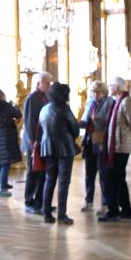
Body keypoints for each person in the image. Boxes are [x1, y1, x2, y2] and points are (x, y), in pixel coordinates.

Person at [97, 77, 131, 222]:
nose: (109, 87)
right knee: (118, 178)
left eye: (111, 85)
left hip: (122, 146)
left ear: (117, 87)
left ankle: (113, 211)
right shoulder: (118, 101)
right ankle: (126, 210)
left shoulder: (127, 101)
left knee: (111, 177)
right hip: (116, 145)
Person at [38, 83, 80, 224]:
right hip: (64, 147)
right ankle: (62, 215)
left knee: (49, 180)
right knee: (63, 181)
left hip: (47, 147)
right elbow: (75, 129)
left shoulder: (44, 109)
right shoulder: (64, 109)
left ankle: (46, 213)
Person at [78, 81, 113, 213]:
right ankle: (89, 201)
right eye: (93, 91)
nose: (94, 94)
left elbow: (109, 120)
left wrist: (95, 119)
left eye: (97, 92)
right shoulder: (89, 103)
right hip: (89, 141)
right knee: (89, 173)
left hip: (101, 141)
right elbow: (85, 120)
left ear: (104, 92)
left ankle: (105, 204)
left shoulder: (109, 102)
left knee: (103, 174)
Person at [22, 72, 53, 214]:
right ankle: (29, 201)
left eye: (50, 83)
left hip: (43, 140)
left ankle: (40, 200)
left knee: (42, 172)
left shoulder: (46, 97)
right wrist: (32, 141)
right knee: (33, 171)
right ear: (39, 82)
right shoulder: (32, 98)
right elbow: (28, 121)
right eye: (47, 83)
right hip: (33, 142)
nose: (49, 85)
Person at [0, 88, 22, 197]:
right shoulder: (6, 106)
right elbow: (18, 114)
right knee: (5, 163)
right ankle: (2, 187)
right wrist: (14, 106)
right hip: (6, 136)